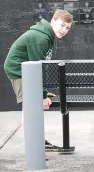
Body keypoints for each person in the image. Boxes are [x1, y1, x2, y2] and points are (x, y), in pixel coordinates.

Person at [4, 9, 73, 152]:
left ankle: (39, 142)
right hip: (19, 71)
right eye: (61, 25)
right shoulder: (40, 38)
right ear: (52, 22)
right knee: (30, 107)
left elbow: (42, 66)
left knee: (33, 106)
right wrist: (41, 95)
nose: (64, 30)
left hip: (29, 70)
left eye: (67, 27)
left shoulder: (48, 36)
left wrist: (44, 92)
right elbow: (38, 67)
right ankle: (35, 146)